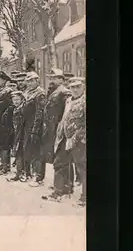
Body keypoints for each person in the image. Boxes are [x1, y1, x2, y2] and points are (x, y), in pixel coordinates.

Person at [43, 78, 86, 207]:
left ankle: (85, 197)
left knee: (82, 167)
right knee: (59, 163)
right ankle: (60, 191)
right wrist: (60, 134)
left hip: (79, 139)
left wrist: (77, 137)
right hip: (65, 138)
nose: (75, 89)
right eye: (72, 87)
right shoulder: (68, 100)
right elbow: (64, 118)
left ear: (83, 87)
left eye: (78, 86)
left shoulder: (85, 101)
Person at [40, 69, 73, 189]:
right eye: (51, 78)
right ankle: (61, 184)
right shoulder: (53, 92)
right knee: (58, 157)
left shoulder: (64, 92)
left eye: (54, 78)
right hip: (52, 128)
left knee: (63, 158)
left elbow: (67, 112)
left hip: (61, 129)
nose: (52, 80)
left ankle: (66, 185)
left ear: (61, 79)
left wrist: (62, 128)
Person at [21, 71, 47, 186]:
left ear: (37, 81)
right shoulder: (27, 92)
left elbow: (39, 113)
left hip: (36, 125)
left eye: (32, 81)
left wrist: (35, 129)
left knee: (37, 151)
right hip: (26, 125)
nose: (30, 83)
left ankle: (38, 177)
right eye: (28, 81)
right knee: (27, 149)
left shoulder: (40, 93)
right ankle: (28, 174)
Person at [7, 91, 26, 181]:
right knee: (18, 153)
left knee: (19, 153)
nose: (16, 101)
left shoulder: (22, 109)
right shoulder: (15, 109)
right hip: (16, 133)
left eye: (18, 99)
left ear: (22, 100)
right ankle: (19, 173)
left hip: (22, 134)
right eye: (14, 100)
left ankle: (20, 174)